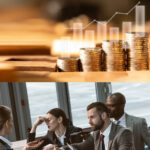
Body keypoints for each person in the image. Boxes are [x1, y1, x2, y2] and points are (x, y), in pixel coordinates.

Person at [59, 102, 134, 150]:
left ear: (104, 115)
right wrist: (60, 149)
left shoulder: (123, 133)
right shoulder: (96, 134)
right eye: (88, 118)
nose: (89, 122)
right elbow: (81, 146)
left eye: (92, 117)